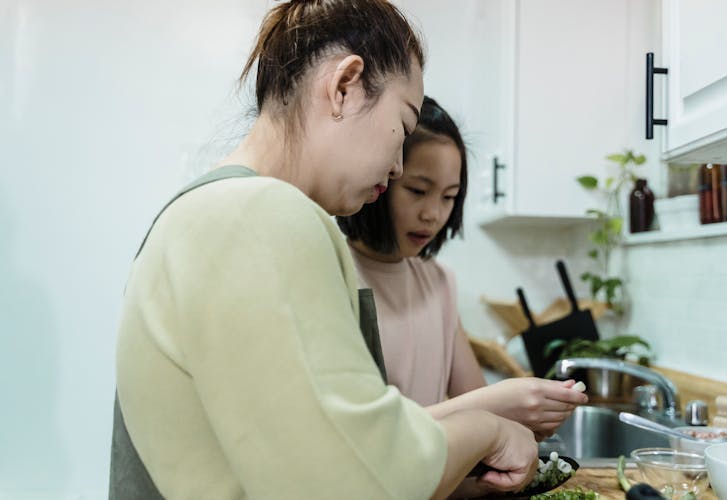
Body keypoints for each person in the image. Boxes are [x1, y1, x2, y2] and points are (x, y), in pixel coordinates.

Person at [110, 2, 539, 499]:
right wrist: (490, 430)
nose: (398, 166)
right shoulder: (259, 215)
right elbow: (360, 481)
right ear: (344, 86)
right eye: (401, 128)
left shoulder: (213, 209)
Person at [337, 95, 588, 442]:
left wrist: (527, 414)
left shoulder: (440, 282)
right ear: (381, 177)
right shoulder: (335, 274)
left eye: (449, 196)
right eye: (418, 190)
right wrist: (498, 402)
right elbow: (365, 436)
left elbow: (474, 396)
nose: (433, 214)